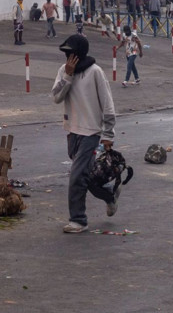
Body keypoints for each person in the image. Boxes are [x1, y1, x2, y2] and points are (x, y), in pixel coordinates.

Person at [52, 34, 118, 233]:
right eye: (66, 54)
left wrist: (108, 134)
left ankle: (78, 220)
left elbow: (107, 105)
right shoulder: (64, 71)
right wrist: (68, 76)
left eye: (71, 54)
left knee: (76, 175)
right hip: (72, 130)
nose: (68, 58)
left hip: (92, 132)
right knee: (84, 176)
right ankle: (109, 195)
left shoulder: (95, 72)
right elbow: (56, 97)